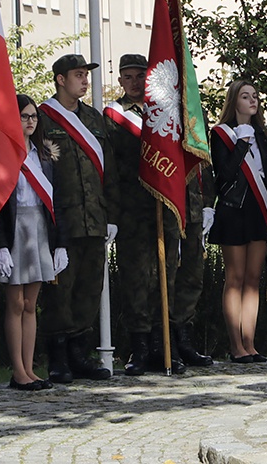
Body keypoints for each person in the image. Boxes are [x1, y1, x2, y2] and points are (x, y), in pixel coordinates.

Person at [38, 54, 117, 382]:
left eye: (86, 75)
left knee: (88, 286)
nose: (84, 80)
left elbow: (109, 169)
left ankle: (80, 354)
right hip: (62, 220)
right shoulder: (43, 118)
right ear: (60, 79)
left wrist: (111, 214)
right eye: (78, 75)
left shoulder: (94, 119)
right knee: (60, 291)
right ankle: (58, 358)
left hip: (94, 218)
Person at [104, 54, 184, 375]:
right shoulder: (113, 115)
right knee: (136, 278)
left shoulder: (163, 111)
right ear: (121, 80)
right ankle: (138, 347)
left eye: (141, 76)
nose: (135, 83)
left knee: (166, 277)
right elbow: (110, 166)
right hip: (131, 207)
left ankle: (165, 345)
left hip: (163, 205)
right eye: (129, 77)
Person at [0, 95, 63, 390]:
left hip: (39, 229)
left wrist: (60, 244)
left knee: (31, 304)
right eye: (24, 116)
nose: (30, 121)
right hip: (14, 231)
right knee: (15, 303)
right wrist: (0, 244)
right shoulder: (3, 154)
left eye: (33, 116)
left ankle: (30, 370)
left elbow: (57, 201)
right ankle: (17, 371)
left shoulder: (43, 154)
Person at [210, 79, 267, 363]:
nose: (252, 101)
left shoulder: (262, 134)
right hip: (233, 211)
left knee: (254, 279)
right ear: (234, 101)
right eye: (245, 96)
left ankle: (250, 344)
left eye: (255, 96)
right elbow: (224, 175)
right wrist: (241, 143)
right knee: (235, 278)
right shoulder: (220, 134)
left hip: (258, 210)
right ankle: (235, 345)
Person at [172, 163, 216, 367]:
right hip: (167, 202)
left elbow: (202, 161)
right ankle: (162, 342)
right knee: (163, 275)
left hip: (194, 208)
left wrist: (208, 202)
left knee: (193, 276)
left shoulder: (194, 129)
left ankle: (184, 339)